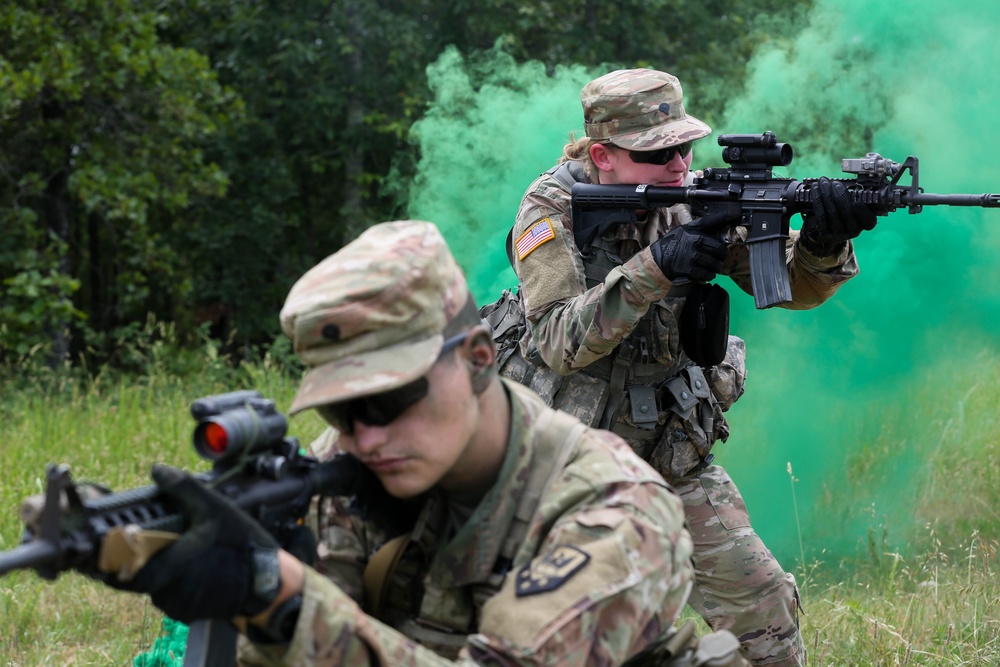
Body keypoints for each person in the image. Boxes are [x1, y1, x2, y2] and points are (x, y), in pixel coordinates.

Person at [100, 220, 746, 665]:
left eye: (390, 399)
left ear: (479, 356)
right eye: (342, 408)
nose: (366, 434)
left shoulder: (615, 509)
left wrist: (285, 600)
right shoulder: (345, 462)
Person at [496, 69, 878, 667]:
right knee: (568, 633)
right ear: (603, 155)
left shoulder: (693, 198)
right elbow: (555, 340)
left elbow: (791, 285)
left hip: (667, 449)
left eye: (685, 147)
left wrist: (823, 241)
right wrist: (657, 266)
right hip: (563, 462)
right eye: (659, 153)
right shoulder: (552, 210)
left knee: (765, 604)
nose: (679, 166)